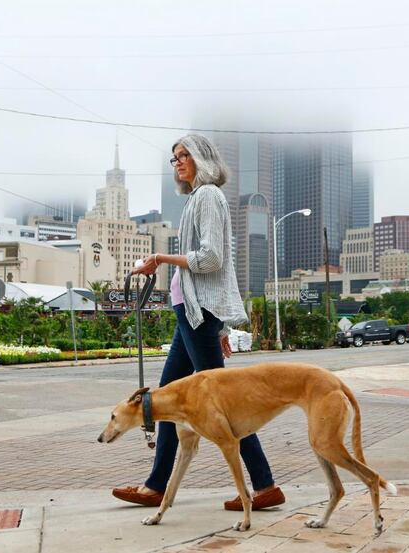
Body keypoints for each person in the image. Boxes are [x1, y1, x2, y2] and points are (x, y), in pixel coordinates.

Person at [111, 134, 285, 511]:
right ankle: (156, 485)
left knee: (216, 400)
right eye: (174, 158)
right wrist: (219, 326)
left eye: (184, 155)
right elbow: (214, 273)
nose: (178, 163)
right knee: (167, 399)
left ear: (203, 158)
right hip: (191, 312)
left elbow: (211, 260)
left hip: (196, 313)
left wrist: (159, 258)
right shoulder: (197, 199)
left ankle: (265, 484)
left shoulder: (208, 196)